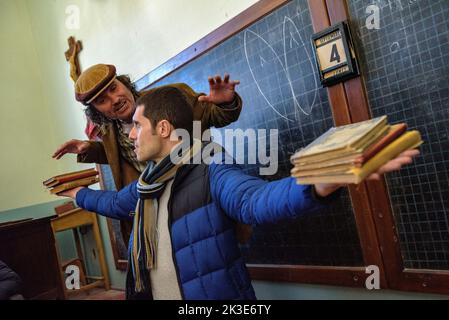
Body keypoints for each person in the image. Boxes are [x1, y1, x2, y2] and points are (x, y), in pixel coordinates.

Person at [58, 86, 419, 300]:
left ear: (164, 128)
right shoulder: (145, 186)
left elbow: (254, 201)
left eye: (138, 126)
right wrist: (78, 196)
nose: (131, 135)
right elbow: (113, 203)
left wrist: (320, 180)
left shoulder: (211, 169)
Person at [52, 64, 249, 244]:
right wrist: (89, 149)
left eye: (114, 88)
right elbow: (123, 155)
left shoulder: (170, 97)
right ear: (96, 111)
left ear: (124, 83)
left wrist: (225, 103)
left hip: (200, 199)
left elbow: (215, 116)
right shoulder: (108, 130)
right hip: (157, 215)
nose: (115, 100)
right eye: (102, 100)